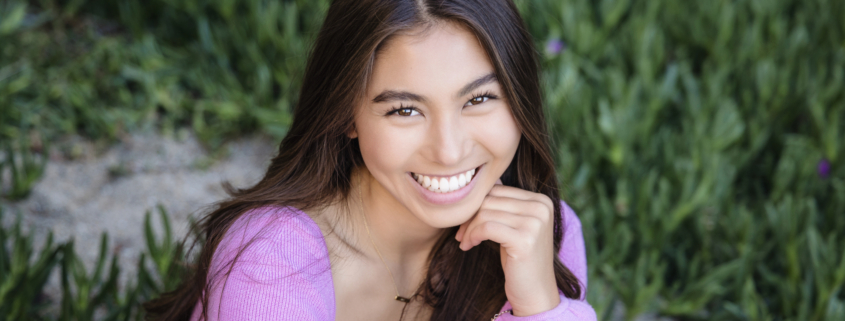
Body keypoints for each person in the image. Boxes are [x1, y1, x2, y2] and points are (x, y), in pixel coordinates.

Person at [144, 0, 596, 320]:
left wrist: (539, 304)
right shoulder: (271, 260)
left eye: (479, 98)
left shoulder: (539, 235)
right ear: (348, 115)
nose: (449, 149)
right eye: (405, 110)